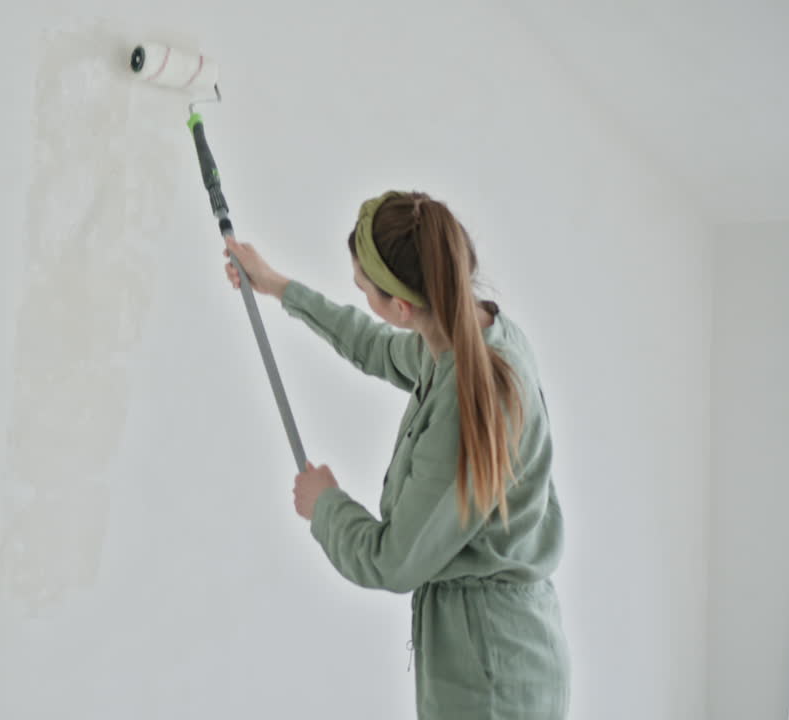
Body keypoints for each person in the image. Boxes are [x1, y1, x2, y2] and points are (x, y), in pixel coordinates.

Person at [223, 191, 570, 719]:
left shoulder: (469, 399)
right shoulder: (472, 335)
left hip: (491, 678)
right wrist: (279, 287)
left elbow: (391, 560)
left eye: (364, 289)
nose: (363, 298)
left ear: (402, 308)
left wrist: (325, 504)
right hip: (500, 651)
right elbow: (378, 347)